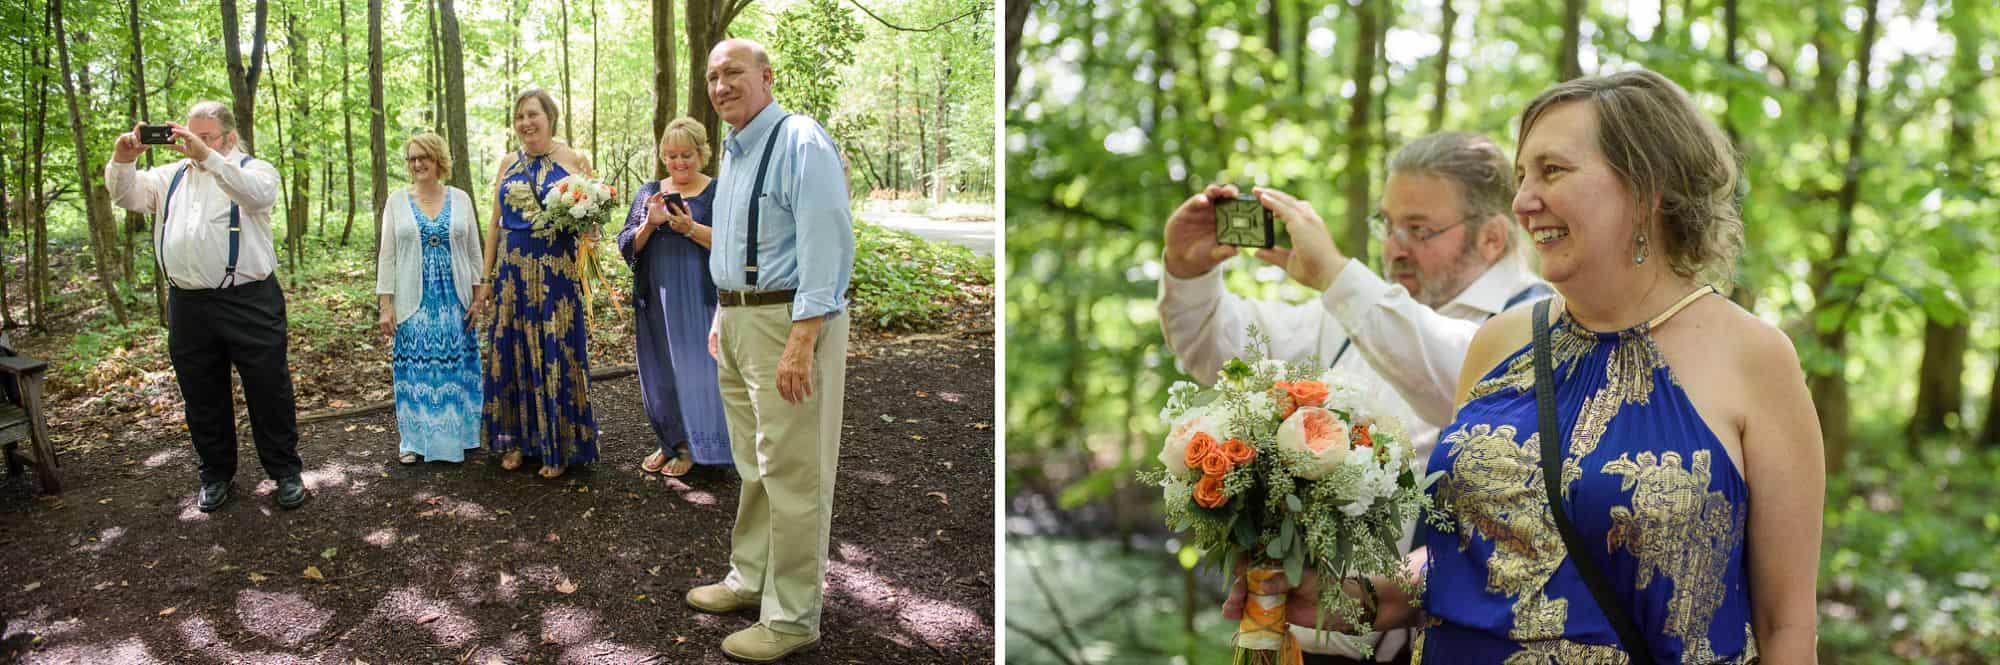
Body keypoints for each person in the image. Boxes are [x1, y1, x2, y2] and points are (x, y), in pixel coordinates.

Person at [1231, 69, 1823, 665]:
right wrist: (1348, 596)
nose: (1521, 202)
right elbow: (1466, 560)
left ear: (1648, 186)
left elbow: (1786, 624)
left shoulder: (1754, 359)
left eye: (1552, 170)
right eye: (1521, 177)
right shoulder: (1500, 342)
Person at [1160, 132, 1546, 662]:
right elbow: (1217, 350)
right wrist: (1188, 270)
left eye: (1419, 229)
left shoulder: (1536, 322)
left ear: (1492, 239)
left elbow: (1460, 381)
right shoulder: (1361, 310)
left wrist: (1337, 277)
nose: (1394, 247)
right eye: (1387, 224)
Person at [680, 38, 855, 663]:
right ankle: (750, 578)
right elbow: (737, 244)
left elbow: (826, 241)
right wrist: (723, 313)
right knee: (755, 464)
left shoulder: (799, 140)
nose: (720, 86)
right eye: (712, 76)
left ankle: (792, 617)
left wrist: (802, 339)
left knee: (795, 471)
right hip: (738, 322)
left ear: (766, 76)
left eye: (733, 73)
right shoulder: (736, 150)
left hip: (788, 324)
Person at [105, 101, 307, 512]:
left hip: (249, 301)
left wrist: (209, 158)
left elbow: (257, 196)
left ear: (228, 138)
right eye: (189, 134)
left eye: (205, 136)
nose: (193, 143)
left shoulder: (254, 169)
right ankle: (215, 474)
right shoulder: (170, 177)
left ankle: (285, 471)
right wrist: (123, 159)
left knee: (268, 388)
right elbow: (125, 195)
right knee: (201, 393)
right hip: (188, 305)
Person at [478, 88, 600, 478]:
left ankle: (557, 446)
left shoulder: (574, 159)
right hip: (512, 272)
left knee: (555, 350)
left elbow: (592, 223)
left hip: (555, 272)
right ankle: (516, 441)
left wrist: (591, 230)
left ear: (550, 117)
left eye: (533, 114)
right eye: (520, 117)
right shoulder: (507, 162)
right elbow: (494, 224)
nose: (526, 123)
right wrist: (486, 278)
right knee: (512, 350)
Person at [616, 117, 730, 479]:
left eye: (686, 155)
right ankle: (673, 442)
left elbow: (732, 244)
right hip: (657, 296)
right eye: (671, 156)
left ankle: (702, 445)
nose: (679, 163)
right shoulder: (649, 192)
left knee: (698, 371)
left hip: (699, 296)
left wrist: (690, 228)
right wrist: (650, 223)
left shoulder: (717, 191)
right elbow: (626, 246)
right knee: (662, 372)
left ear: (701, 154)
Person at [375, 133, 484, 465]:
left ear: (439, 160)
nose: (417, 163)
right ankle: (413, 440)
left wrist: (478, 298)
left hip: (455, 301)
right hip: (413, 302)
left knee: (457, 369)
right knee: (415, 372)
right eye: (412, 158)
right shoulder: (396, 201)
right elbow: (387, 257)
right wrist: (385, 305)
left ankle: (460, 436)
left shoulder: (461, 198)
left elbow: (474, 251)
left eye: (423, 157)